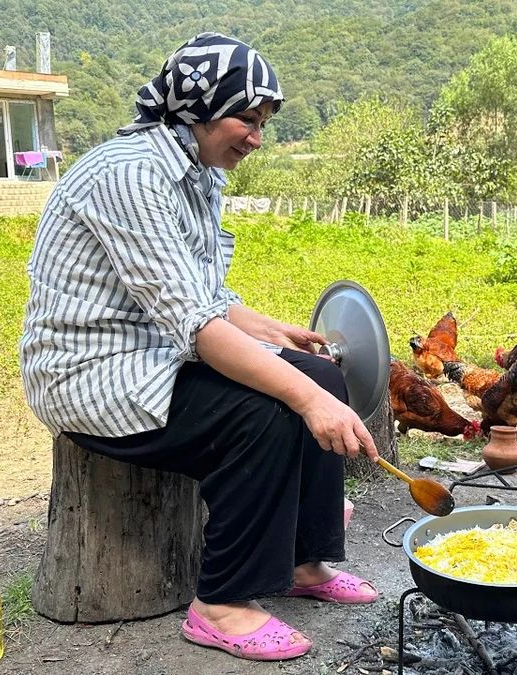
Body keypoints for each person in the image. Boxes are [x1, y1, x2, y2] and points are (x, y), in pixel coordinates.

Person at [19, 32, 379, 662]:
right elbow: (199, 328)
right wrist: (299, 397)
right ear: (197, 106)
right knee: (268, 412)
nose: (256, 137)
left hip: (155, 352)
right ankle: (221, 603)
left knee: (319, 376)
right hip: (93, 374)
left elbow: (204, 295)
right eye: (246, 117)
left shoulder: (196, 174)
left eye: (262, 122)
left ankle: (302, 560)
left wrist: (274, 333)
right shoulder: (129, 174)